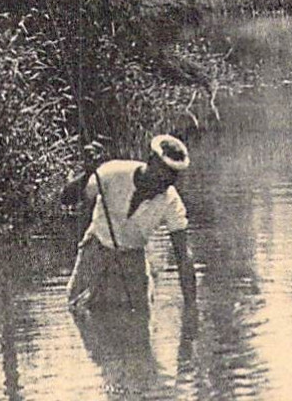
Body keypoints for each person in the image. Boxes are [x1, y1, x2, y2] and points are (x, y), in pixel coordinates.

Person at [61, 134, 198, 323]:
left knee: (139, 320)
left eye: (167, 182)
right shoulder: (112, 172)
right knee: (76, 310)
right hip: (95, 249)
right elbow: (66, 198)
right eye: (158, 178)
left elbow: (183, 256)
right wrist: (87, 174)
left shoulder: (171, 201)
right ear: (150, 161)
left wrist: (191, 311)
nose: (159, 188)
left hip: (133, 258)